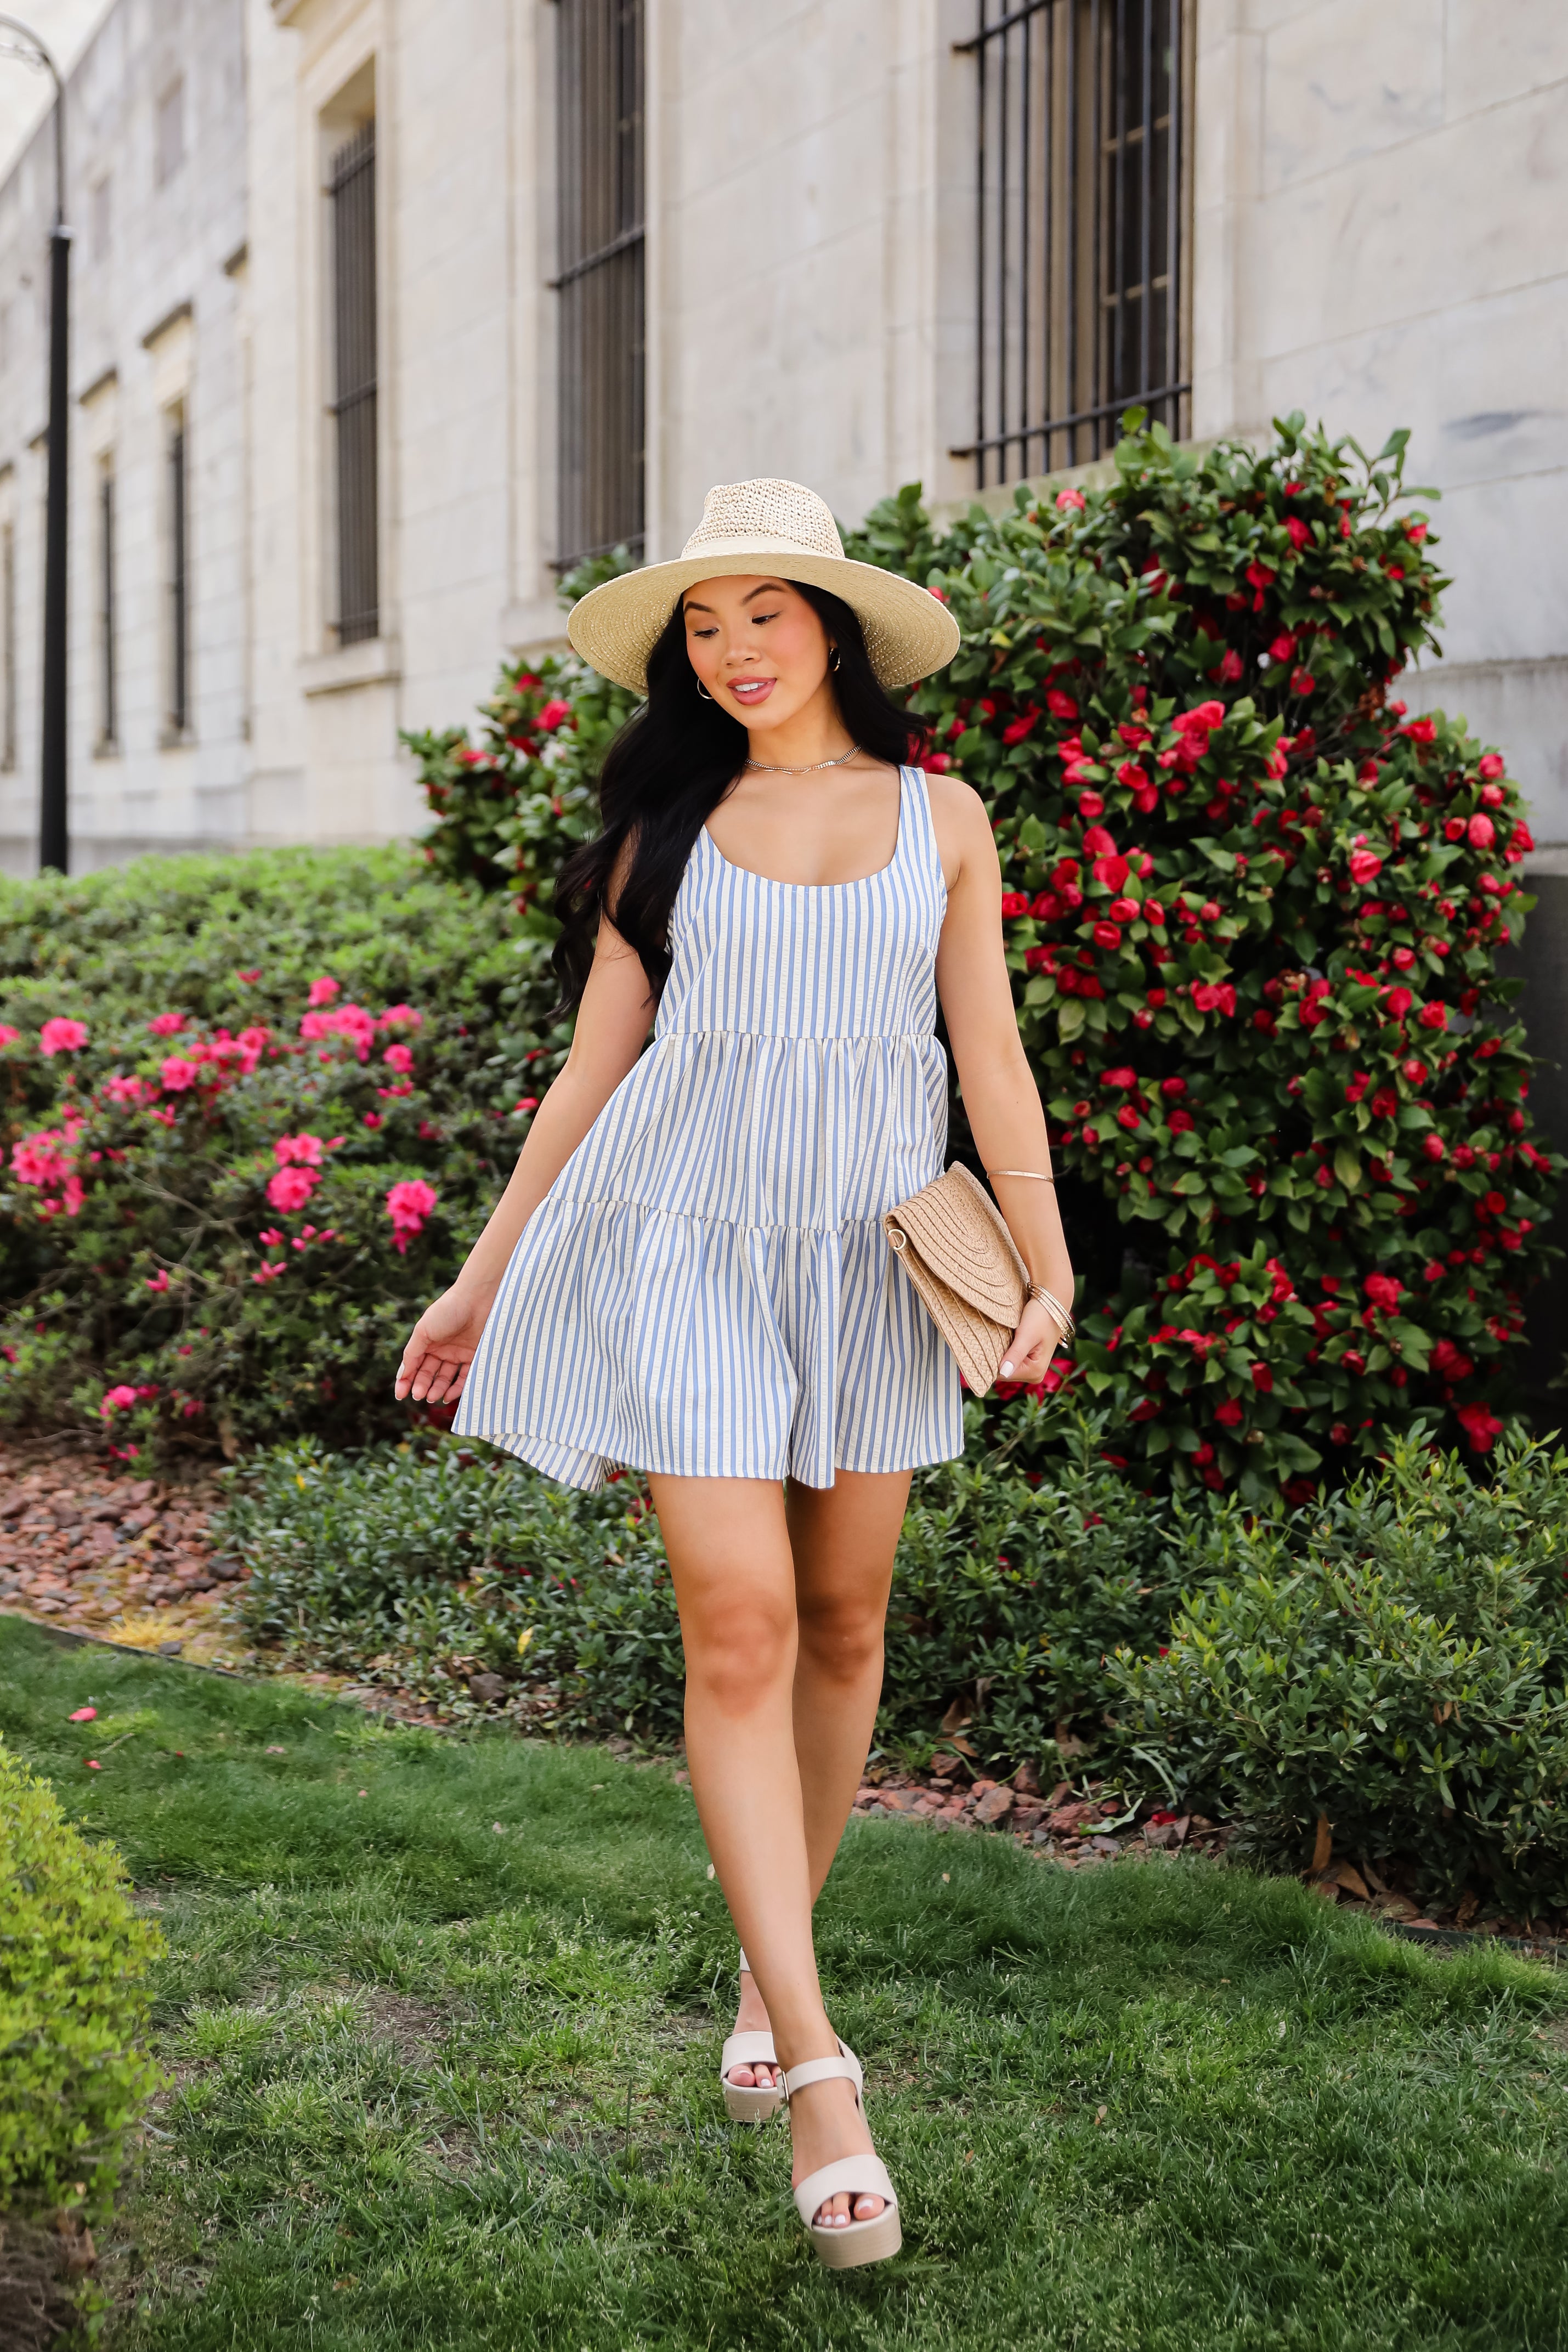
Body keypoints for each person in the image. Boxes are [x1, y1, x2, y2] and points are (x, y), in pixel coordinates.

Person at [395, 478, 1074, 2270]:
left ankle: (771, 1980)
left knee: (847, 1625)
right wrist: (477, 1281)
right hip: (677, 1244)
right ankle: (824, 2076)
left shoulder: (940, 819)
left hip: (869, 1262)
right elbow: (586, 1078)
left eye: (763, 613)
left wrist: (1044, 1253)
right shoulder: (664, 836)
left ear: (834, 630)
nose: (734, 650)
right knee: (744, 1623)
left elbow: (986, 1056)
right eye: (703, 626)